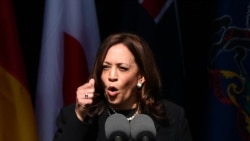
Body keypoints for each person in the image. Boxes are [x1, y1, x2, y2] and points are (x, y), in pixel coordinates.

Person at [53, 32, 193, 141]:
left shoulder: (172, 116)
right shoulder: (77, 116)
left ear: (141, 76)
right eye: (106, 67)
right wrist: (80, 115)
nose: (111, 76)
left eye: (122, 68)